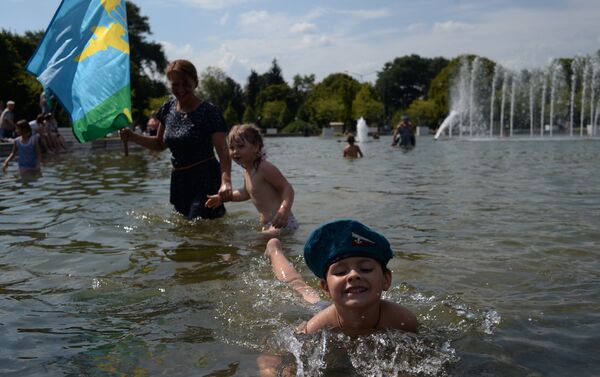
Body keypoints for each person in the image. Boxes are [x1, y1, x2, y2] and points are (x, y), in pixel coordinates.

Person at [119, 59, 232, 219]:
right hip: (179, 182)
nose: (180, 89)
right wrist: (132, 136)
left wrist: (226, 181)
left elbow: (223, 150)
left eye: (185, 84)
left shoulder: (209, 112)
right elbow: (159, 144)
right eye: (175, 85)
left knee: (196, 225)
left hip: (205, 179)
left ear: (196, 82)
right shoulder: (167, 109)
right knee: (185, 231)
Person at [266, 219, 418, 336]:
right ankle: (274, 250)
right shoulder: (317, 327)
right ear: (326, 287)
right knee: (299, 288)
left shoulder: (403, 321)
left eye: (365, 269)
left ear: (386, 280)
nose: (354, 275)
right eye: (340, 272)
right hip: (323, 310)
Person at [205, 123, 297, 234]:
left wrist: (284, 210)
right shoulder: (247, 171)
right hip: (270, 225)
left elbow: (287, 188)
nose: (235, 152)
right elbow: (246, 193)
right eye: (232, 148)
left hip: (282, 222)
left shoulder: (264, 168)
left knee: (255, 242)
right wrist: (222, 198)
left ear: (256, 147)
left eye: (240, 146)